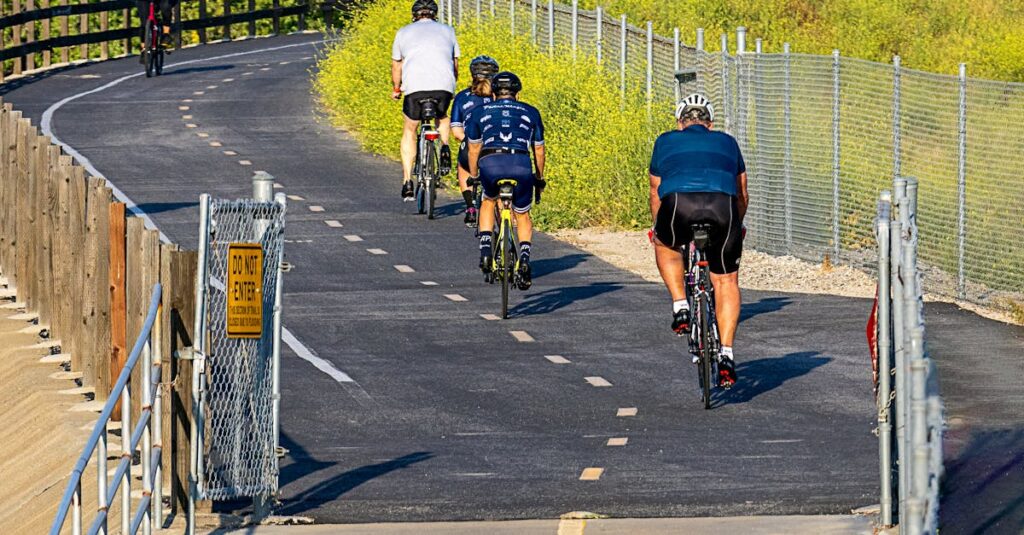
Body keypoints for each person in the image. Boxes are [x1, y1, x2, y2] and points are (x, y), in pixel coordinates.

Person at [648, 93, 748, 387]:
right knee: (726, 281)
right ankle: (727, 353)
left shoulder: (665, 141)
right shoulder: (728, 142)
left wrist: (658, 227)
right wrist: (736, 226)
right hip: (722, 207)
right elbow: (742, 191)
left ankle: (681, 305)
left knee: (664, 243)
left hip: (679, 203)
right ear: (710, 124)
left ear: (680, 123)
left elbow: (656, 191)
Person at [466, 71, 546, 289]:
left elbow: (473, 148)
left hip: (491, 162)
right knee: (522, 214)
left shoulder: (479, 111)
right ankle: (525, 258)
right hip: (520, 164)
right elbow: (538, 150)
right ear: (517, 94)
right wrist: (538, 178)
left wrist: (474, 176)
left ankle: (485, 250)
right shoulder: (531, 112)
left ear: (493, 94)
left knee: (488, 201)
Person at [391, 0, 460, 201]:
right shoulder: (448, 30)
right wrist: (451, 85)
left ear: (414, 15)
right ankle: (445, 146)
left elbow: (397, 66)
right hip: (443, 87)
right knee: (443, 117)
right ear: (434, 14)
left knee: (410, 129)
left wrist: (396, 89)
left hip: (415, 88)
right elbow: (455, 63)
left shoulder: (403, 32)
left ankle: (407, 181)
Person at [450, 55, 499, 226]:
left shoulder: (463, 96)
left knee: (463, 167)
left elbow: (456, 131)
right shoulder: (500, 96)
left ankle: (470, 206)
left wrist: (469, 141)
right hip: (497, 144)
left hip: (471, 145)